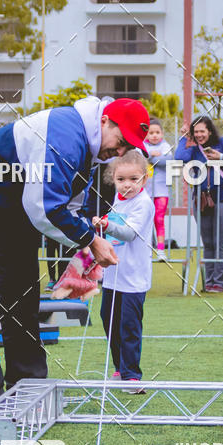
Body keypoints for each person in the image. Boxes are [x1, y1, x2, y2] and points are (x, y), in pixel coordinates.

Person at [0, 95, 148, 412]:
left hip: (16, 201)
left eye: (129, 147)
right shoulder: (65, 135)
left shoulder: (88, 150)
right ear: (105, 122)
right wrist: (90, 241)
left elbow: (71, 206)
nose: (122, 151)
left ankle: (28, 382)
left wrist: (86, 252)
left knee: (23, 288)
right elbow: (43, 207)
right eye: (122, 140)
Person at [92, 149, 155, 393]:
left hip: (134, 278)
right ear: (113, 179)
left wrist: (107, 223)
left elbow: (129, 233)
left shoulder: (144, 204)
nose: (126, 185)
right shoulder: (119, 200)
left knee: (129, 326)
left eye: (133, 179)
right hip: (113, 277)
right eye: (121, 179)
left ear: (144, 180)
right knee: (108, 320)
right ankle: (119, 368)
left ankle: (132, 376)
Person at [174, 115, 223, 293]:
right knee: (207, 241)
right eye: (196, 131)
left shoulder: (222, 143)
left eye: (202, 131)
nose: (199, 135)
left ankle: (220, 283)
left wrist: (221, 157)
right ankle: (209, 281)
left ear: (209, 131)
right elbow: (179, 157)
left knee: (219, 240)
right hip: (201, 199)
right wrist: (184, 138)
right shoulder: (193, 149)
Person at [144, 117, 172, 260]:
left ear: (161, 133)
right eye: (151, 132)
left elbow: (168, 161)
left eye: (157, 132)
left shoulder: (166, 146)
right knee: (146, 220)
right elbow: (138, 156)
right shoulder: (143, 146)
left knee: (159, 219)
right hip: (144, 192)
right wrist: (149, 155)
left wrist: (151, 158)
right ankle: (147, 249)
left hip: (161, 190)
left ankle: (161, 250)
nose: (154, 135)